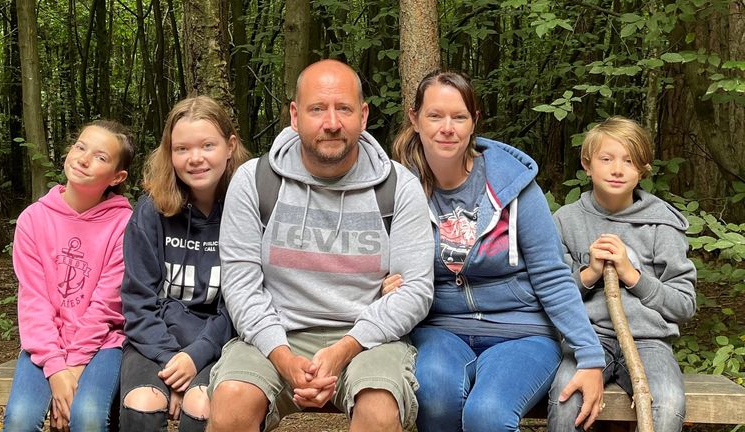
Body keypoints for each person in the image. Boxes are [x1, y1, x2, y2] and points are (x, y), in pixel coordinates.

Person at [206, 59, 435, 432]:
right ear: (295, 116)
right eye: (317, 109)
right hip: (277, 332)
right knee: (232, 401)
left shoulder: (398, 187)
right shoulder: (255, 182)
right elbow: (241, 287)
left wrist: (346, 348)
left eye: (343, 108)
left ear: (363, 115)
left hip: (367, 337)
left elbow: (415, 292)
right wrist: (282, 357)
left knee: (378, 409)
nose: (331, 123)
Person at [390, 70, 606, 432]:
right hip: (440, 330)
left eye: (459, 117)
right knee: (435, 397)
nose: (447, 127)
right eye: (435, 116)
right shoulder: (398, 188)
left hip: (523, 331)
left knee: (487, 415)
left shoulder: (513, 184)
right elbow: (377, 263)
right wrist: (384, 284)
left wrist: (590, 357)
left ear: (473, 122)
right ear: (414, 119)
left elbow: (552, 276)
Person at [547, 116, 696, 432]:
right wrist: (590, 273)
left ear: (642, 170)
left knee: (667, 403)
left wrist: (634, 277)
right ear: (587, 165)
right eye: (606, 159)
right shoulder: (565, 221)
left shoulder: (662, 225)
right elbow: (550, 298)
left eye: (629, 161)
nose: (617, 169)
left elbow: (684, 305)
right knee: (566, 402)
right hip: (585, 339)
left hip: (649, 342)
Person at [119, 96, 250, 431]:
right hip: (155, 344)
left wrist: (195, 357)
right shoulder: (151, 213)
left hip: (222, 343)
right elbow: (138, 302)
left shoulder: (250, 212)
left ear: (230, 146)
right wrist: (173, 362)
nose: (195, 159)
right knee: (142, 403)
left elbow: (245, 306)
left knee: (202, 404)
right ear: (169, 153)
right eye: (182, 149)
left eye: (208, 145)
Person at [3, 120, 134, 431]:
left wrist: (72, 370)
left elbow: (106, 305)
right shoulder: (34, 220)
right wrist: (55, 368)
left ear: (117, 177)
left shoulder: (124, 224)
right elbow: (34, 301)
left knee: (87, 414)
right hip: (45, 344)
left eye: (101, 157)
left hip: (103, 343)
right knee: (20, 418)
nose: (84, 159)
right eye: (80, 147)